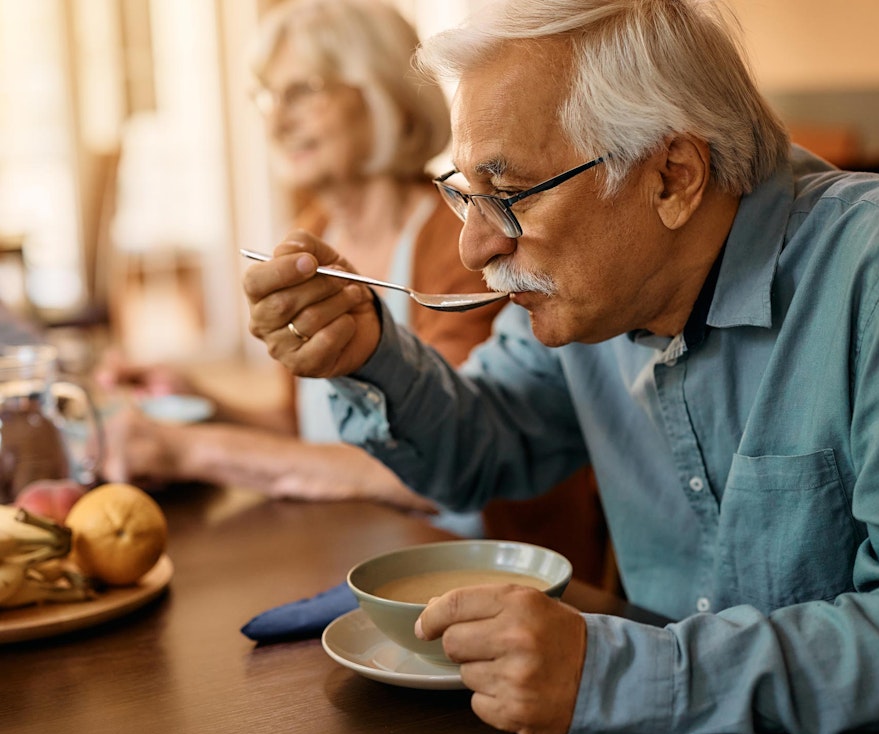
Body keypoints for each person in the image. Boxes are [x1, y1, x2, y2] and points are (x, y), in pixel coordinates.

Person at [242, 0, 879, 734]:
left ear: (672, 177)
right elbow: (479, 447)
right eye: (467, 191)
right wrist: (367, 353)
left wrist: (625, 673)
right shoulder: (591, 296)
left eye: (506, 195)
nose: (474, 247)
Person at [97, 0, 607, 571]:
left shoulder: (468, 237)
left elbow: (418, 465)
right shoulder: (314, 233)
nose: (276, 120)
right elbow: (315, 426)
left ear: (380, 90)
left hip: (483, 567)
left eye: (302, 91)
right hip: (359, 555)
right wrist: (199, 399)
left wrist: (193, 449)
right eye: (266, 97)